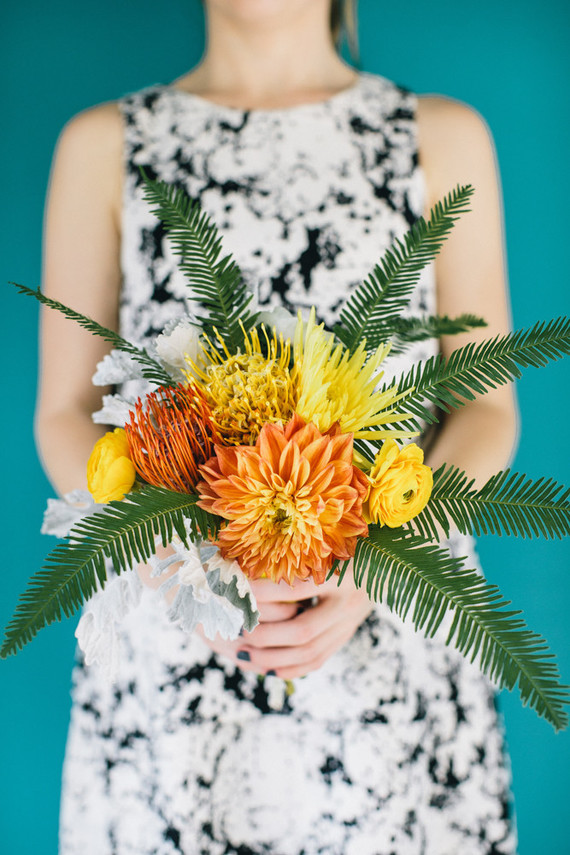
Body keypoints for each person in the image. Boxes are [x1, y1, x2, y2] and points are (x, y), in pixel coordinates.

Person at [37, 1, 518, 852]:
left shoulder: (443, 136)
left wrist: (381, 568)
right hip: (178, 651)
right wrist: (177, 567)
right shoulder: (101, 145)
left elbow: (486, 405)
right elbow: (64, 411)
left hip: (391, 639)